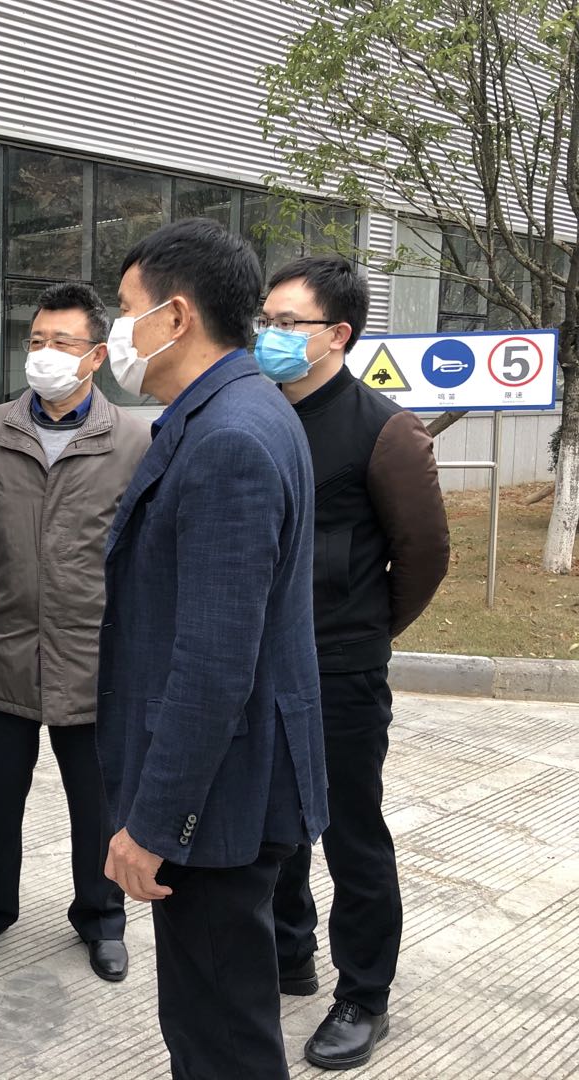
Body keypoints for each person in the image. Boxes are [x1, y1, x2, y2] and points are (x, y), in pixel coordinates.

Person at [97, 217, 328, 1080]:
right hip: (236, 781)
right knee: (214, 1020)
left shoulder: (229, 436)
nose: (119, 331)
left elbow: (213, 663)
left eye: (127, 309)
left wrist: (154, 824)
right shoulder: (241, 410)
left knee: (220, 1037)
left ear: (176, 316)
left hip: (220, 800)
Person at [258, 256, 449, 1070]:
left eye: (286, 324)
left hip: (339, 671)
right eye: (263, 320)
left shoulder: (384, 429)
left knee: (350, 834)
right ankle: (288, 952)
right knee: (274, 823)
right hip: (260, 662)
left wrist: (363, 629)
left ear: (336, 334)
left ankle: (364, 995)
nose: (268, 335)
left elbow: (425, 555)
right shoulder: (258, 411)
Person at [0, 282, 148, 979]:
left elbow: (142, 544)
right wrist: (6, 584)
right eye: (36, 340)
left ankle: (101, 917)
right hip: (3, 647)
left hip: (94, 652)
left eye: (62, 342)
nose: (45, 354)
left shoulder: (134, 440)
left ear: (96, 356)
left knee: (97, 803)